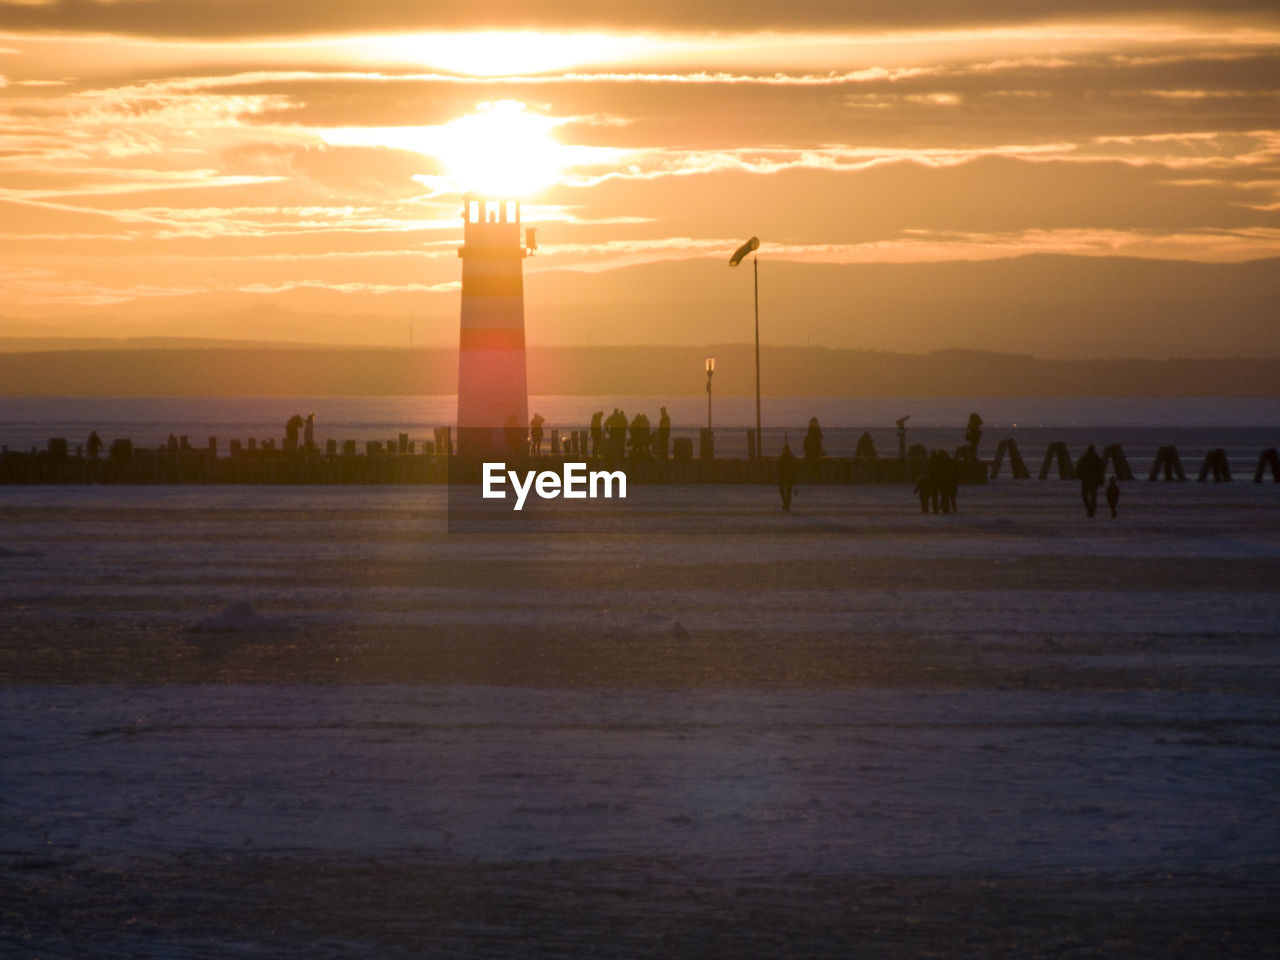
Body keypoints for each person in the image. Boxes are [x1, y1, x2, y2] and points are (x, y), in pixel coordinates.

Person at [1076, 444, 1105, 518]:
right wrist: (1101, 480)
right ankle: (1091, 510)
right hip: (1093, 481)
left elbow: (1078, 468)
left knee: (1085, 496)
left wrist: (1080, 476)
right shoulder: (1097, 459)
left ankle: (1090, 509)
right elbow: (1101, 471)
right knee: (1093, 497)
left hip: (1086, 481)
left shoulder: (1084, 459)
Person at [776, 442, 800, 511]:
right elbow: (796, 467)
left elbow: (779, 467)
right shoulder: (792, 457)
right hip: (789, 476)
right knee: (788, 491)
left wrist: (777, 474)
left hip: (783, 476)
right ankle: (787, 503)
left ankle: (786, 502)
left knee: (782, 490)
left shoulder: (782, 457)